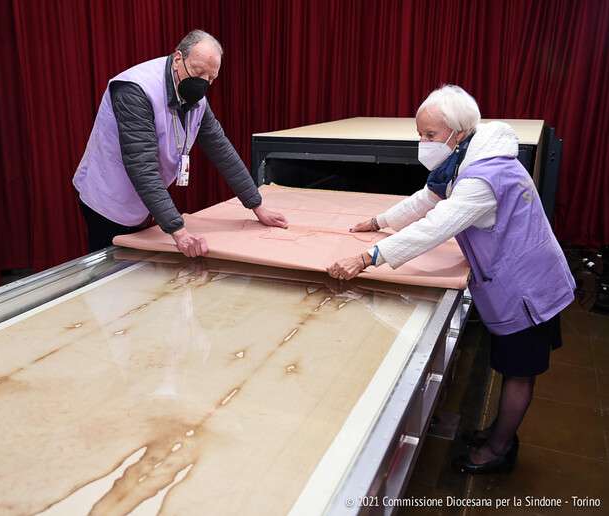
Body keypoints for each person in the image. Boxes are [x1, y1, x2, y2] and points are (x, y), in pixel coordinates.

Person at [327, 85, 575, 474]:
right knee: (511, 367)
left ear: (457, 133)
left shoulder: (483, 177)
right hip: (522, 279)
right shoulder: (469, 156)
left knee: (518, 374)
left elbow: (436, 225)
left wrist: (368, 257)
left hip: (529, 289)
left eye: (430, 135)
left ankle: (498, 450)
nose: (423, 143)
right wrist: (378, 221)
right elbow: (427, 198)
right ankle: (498, 433)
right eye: (420, 134)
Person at [73, 30, 287, 257]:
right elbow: (141, 166)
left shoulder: (196, 97)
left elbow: (221, 149)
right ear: (177, 59)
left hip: (144, 201)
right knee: (111, 267)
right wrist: (178, 230)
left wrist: (257, 205)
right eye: (198, 72)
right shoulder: (135, 90)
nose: (203, 83)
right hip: (108, 200)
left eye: (211, 78)